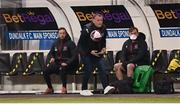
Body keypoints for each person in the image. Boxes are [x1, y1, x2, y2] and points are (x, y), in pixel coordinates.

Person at [104, 27, 149, 94]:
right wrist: (124, 62)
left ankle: (128, 86)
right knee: (117, 66)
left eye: (135, 33)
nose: (133, 34)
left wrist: (130, 62)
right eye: (131, 33)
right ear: (129, 34)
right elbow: (123, 54)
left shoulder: (142, 43)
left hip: (139, 62)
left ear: (138, 33)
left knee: (129, 66)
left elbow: (141, 55)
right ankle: (122, 86)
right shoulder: (126, 43)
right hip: (128, 62)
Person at [78, 13, 109, 96]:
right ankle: (84, 89)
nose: (100, 22)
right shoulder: (87, 28)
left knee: (102, 67)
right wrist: (89, 51)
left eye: (101, 20)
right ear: (93, 20)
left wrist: (103, 48)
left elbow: (103, 40)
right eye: (98, 20)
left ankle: (106, 87)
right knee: (88, 69)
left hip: (97, 52)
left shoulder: (104, 28)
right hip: (85, 52)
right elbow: (81, 44)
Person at [43, 27, 78, 94]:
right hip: (58, 63)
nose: (62, 35)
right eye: (60, 33)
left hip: (69, 65)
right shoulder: (55, 43)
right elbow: (51, 53)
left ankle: (64, 87)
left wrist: (67, 63)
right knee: (45, 71)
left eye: (63, 33)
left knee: (62, 68)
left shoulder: (70, 43)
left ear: (66, 34)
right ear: (58, 34)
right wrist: (52, 58)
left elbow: (74, 56)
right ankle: (50, 88)